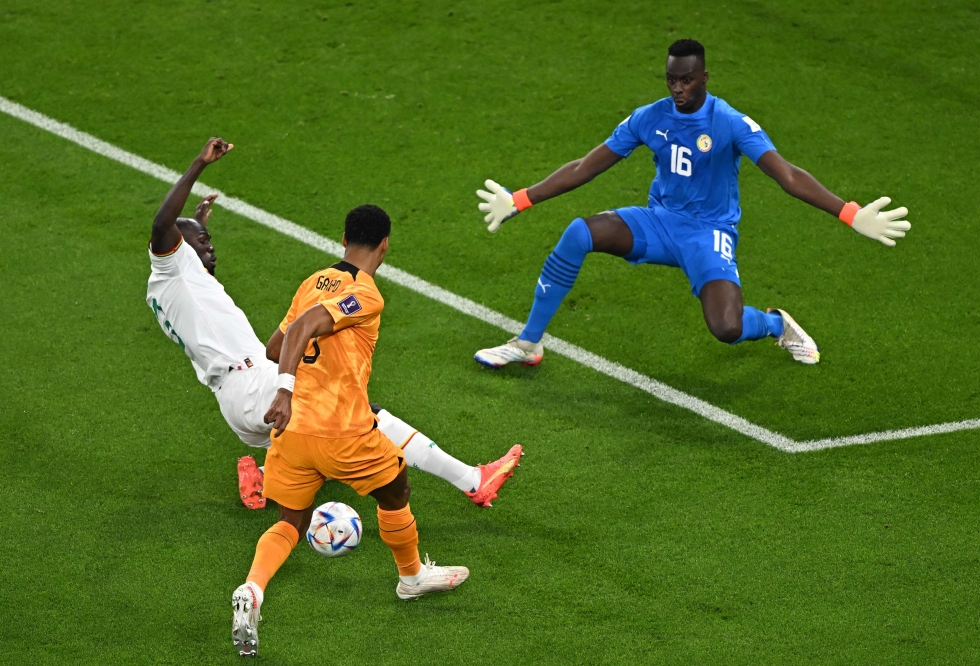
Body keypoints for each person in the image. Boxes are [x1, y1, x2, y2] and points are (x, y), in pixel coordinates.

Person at [474, 39, 910, 368]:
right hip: (659, 223)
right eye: (671, 80)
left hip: (709, 233)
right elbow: (587, 165)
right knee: (578, 233)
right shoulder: (650, 117)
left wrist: (849, 212)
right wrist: (521, 198)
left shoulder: (730, 122)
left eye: (686, 80)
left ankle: (777, 324)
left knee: (727, 328)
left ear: (704, 78)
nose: (677, 89)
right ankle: (529, 343)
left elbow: (787, 175)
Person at [145, 138, 521, 512]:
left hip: (235, 397)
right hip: (252, 383)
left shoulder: (171, 286)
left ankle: (265, 480)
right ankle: (474, 480)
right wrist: (199, 164)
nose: (210, 248)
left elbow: (186, 255)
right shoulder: (170, 267)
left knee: (321, 438)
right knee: (357, 416)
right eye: (201, 242)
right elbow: (163, 226)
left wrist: (196, 224)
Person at [231, 205, 468, 656]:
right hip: (342, 430)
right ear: (384, 245)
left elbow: (275, 345)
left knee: (290, 522)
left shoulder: (313, 281)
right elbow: (304, 326)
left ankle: (253, 590)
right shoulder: (367, 294)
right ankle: (411, 577)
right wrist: (283, 389)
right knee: (396, 489)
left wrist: (290, 387)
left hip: (294, 431)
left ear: (343, 239)